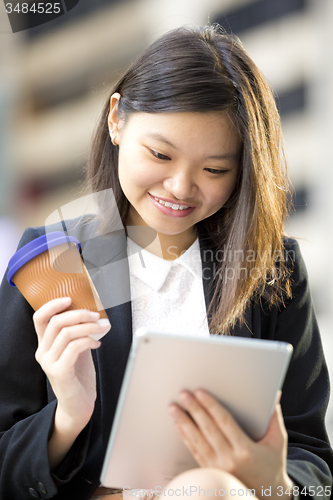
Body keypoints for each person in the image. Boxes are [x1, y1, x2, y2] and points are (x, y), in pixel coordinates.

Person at [0, 24, 332, 500]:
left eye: (214, 169)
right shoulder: (55, 260)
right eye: (160, 153)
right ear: (117, 120)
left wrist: (274, 483)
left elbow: (316, 474)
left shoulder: (270, 271)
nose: (179, 188)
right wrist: (68, 416)